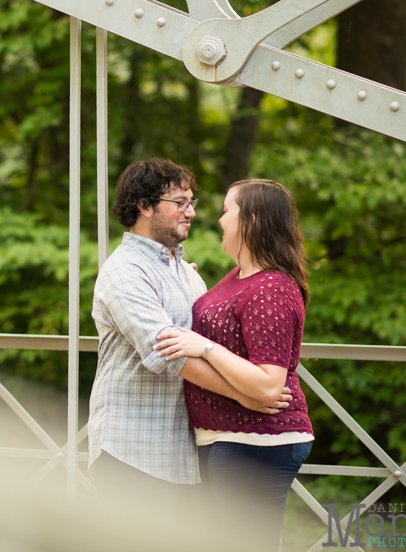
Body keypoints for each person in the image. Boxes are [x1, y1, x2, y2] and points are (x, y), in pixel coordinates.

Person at [87, 159, 291, 510]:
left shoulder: (185, 272)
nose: (192, 212)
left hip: (186, 452)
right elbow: (173, 354)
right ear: (145, 207)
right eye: (180, 202)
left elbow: (213, 340)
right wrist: (248, 396)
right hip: (134, 451)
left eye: (191, 202)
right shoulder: (124, 270)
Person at [155, 179, 313, 551]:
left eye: (228, 211)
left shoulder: (271, 287)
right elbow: (228, 328)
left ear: (252, 220)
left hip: (255, 441)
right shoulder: (238, 278)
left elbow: (268, 385)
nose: (219, 219)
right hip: (229, 438)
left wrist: (205, 347)